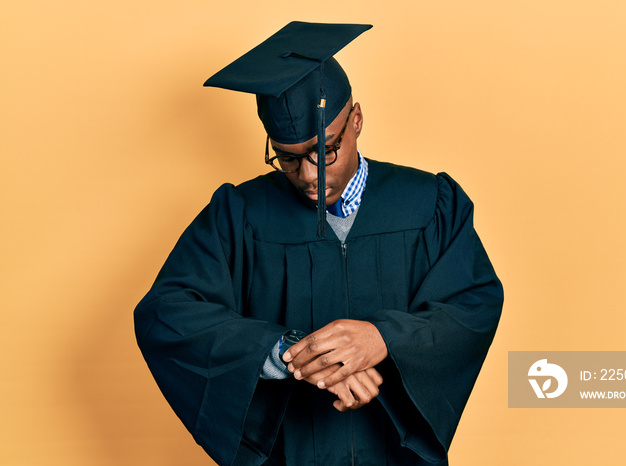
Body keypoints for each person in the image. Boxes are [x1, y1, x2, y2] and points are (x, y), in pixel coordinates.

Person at [135, 21, 503, 466]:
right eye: (287, 157)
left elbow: (473, 303)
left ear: (357, 121)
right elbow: (166, 313)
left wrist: (383, 338)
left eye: (324, 151)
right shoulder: (239, 213)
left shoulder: (430, 203)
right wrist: (290, 351)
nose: (309, 175)